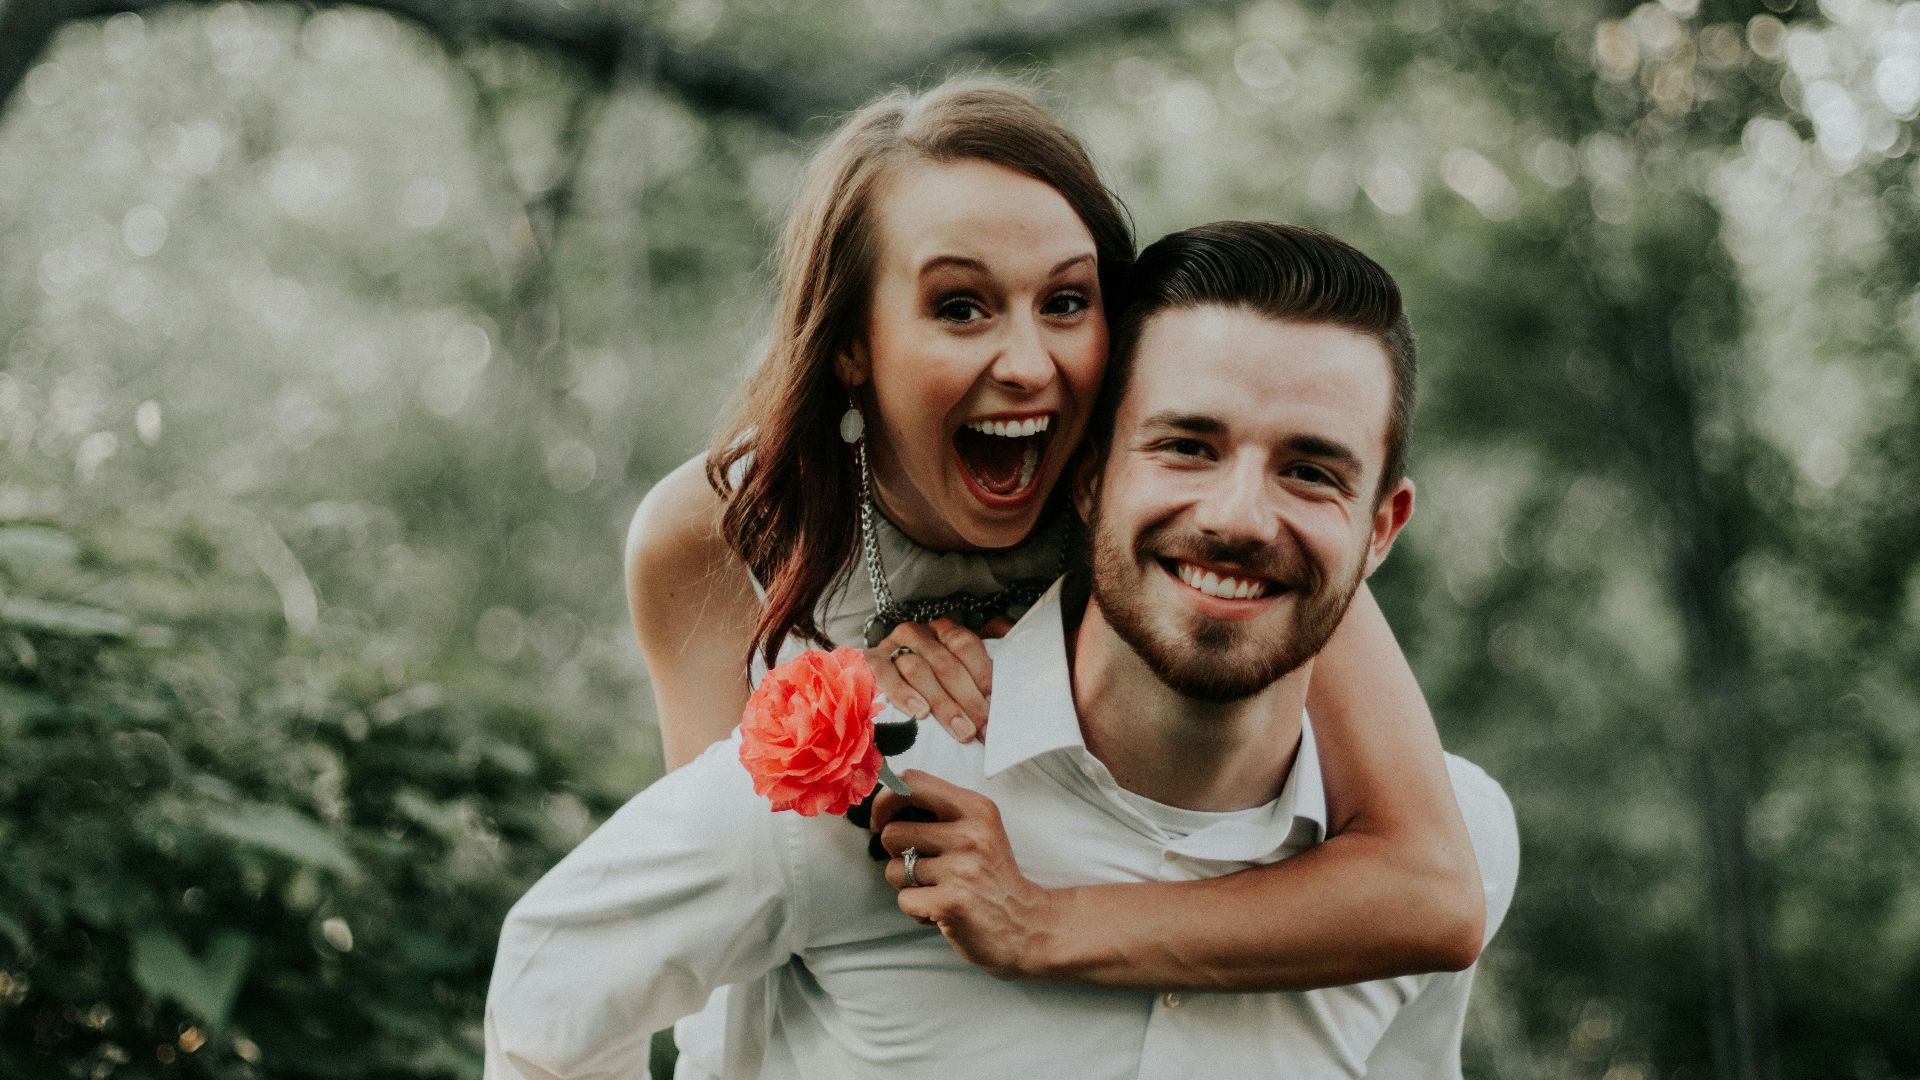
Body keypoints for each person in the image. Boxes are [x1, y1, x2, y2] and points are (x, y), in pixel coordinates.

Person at [487, 221, 1520, 1079]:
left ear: (1383, 527)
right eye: (1187, 446)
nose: (1240, 515)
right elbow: (548, 997)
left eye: (1310, 471)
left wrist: (1047, 925)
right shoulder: (860, 785)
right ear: (1085, 478)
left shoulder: (1453, 837)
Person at [626, 83, 1483, 1020]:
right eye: (961, 308)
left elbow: (1430, 887)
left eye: (1068, 302)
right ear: (850, 344)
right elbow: (720, 919)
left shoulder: (1186, 510)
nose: (1030, 363)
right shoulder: (711, 535)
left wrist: (1045, 924)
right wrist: (852, 710)